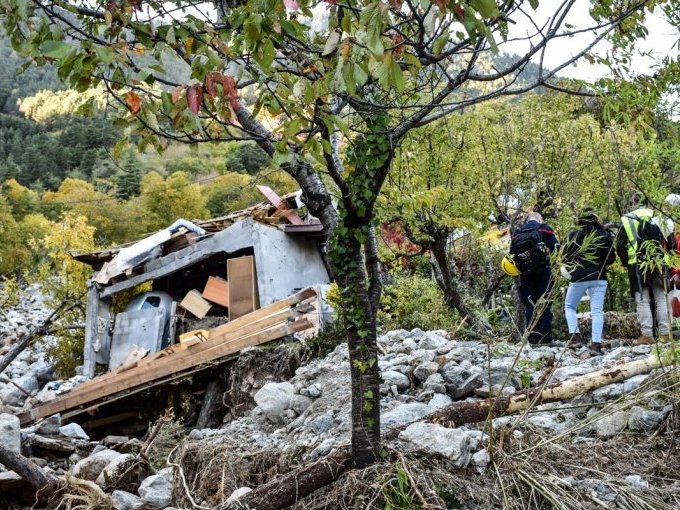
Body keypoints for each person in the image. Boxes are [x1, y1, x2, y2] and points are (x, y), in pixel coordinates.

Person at [616, 196, 673, 345]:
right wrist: (669, 261)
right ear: (648, 203)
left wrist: (626, 263)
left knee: (642, 299)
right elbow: (671, 241)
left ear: (633, 203)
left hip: (637, 265)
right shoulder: (659, 217)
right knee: (661, 298)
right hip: (660, 263)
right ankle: (666, 334)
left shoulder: (627, 220)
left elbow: (620, 246)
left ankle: (647, 335)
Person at [562, 209, 616, 355]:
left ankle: (576, 337)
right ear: (595, 219)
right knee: (597, 311)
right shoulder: (603, 235)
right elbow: (611, 259)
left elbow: (565, 257)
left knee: (569, 306)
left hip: (578, 277)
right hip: (599, 277)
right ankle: (596, 345)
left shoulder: (573, 235)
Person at [510, 212, 559, 345]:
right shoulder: (545, 228)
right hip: (543, 272)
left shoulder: (517, 232)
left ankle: (532, 337)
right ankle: (546, 337)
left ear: (527, 220)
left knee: (530, 305)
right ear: (539, 219)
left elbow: (511, 254)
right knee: (544, 303)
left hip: (525, 274)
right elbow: (556, 248)